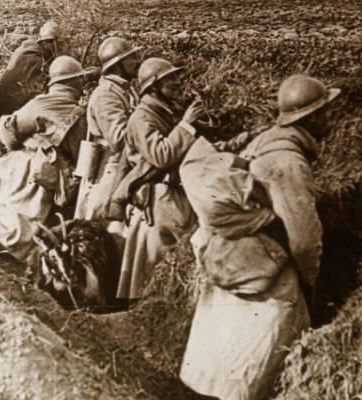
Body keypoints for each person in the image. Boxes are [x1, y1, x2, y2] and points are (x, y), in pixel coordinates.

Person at [179, 74, 341, 400]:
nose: (329, 117)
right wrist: (309, 283)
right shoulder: (290, 162)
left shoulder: (266, 140)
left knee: (216, 365)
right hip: (269, 277)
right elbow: (304, 239)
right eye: (324, 111)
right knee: (254, 371)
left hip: (234, 263)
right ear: (308, 117)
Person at [0, 56, 91, 260]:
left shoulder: (39, 101)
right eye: (79, 78)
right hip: (39, 173)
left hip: (14, 162)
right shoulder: (78, 115)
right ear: (69, 82)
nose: (83, 83)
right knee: (18, 228)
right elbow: (79, 158)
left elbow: (9, 131)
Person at [115, 57, 204, 301]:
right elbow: (161, 154)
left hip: (172, 197)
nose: (177, 83)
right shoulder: (142, 118)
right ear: (154, 87)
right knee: (155, 270)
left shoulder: (165, 111)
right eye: (169, 79)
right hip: (157, 200)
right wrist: (186, 125)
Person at [76, 37, 141, 227]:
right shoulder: (107, 94)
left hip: (122, 166)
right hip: (108, 172)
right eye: (131, 58)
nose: (137, 61)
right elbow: (118, 139)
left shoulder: (123, 90)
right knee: (104, 227)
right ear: (117, 65)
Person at [0, 21, 60, 119]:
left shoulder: (30, 51)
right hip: (0, 115)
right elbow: (45, 89)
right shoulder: (33, 58)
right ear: (44, 42)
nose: (58, 49)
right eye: (55, 44)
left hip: (2, 110)